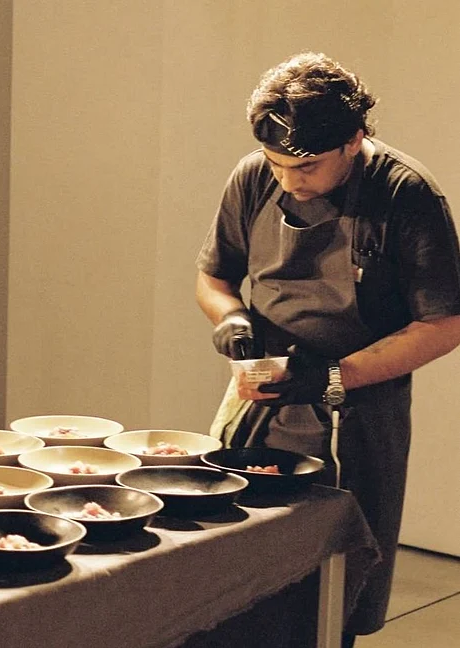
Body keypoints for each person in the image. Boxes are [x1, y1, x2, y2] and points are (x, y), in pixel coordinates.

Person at [196, 51, 460, 646]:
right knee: (232, 549)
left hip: (362, 402)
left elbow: (444, 325)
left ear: (355, 139)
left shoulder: (406, 195)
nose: (290, 180)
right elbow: (214, 279)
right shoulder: (253, 177)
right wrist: (232, 320)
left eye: (307, 166)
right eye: (277, 163)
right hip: (260, 392)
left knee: (338, 575)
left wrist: (333, 375)